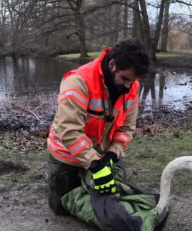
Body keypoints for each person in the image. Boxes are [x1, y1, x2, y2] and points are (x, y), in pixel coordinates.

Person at [47, 39, 149, 215]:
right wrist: (95, 165)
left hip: (101, 154)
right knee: (61, 208)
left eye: (131, 81)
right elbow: (69, 131)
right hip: (67, 154)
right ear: (112, 65)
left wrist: (111, 154)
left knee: (113, 198)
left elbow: (127, 128)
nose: (128, 87)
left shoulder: (131, 85)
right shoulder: (78, 81)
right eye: (125, 79)